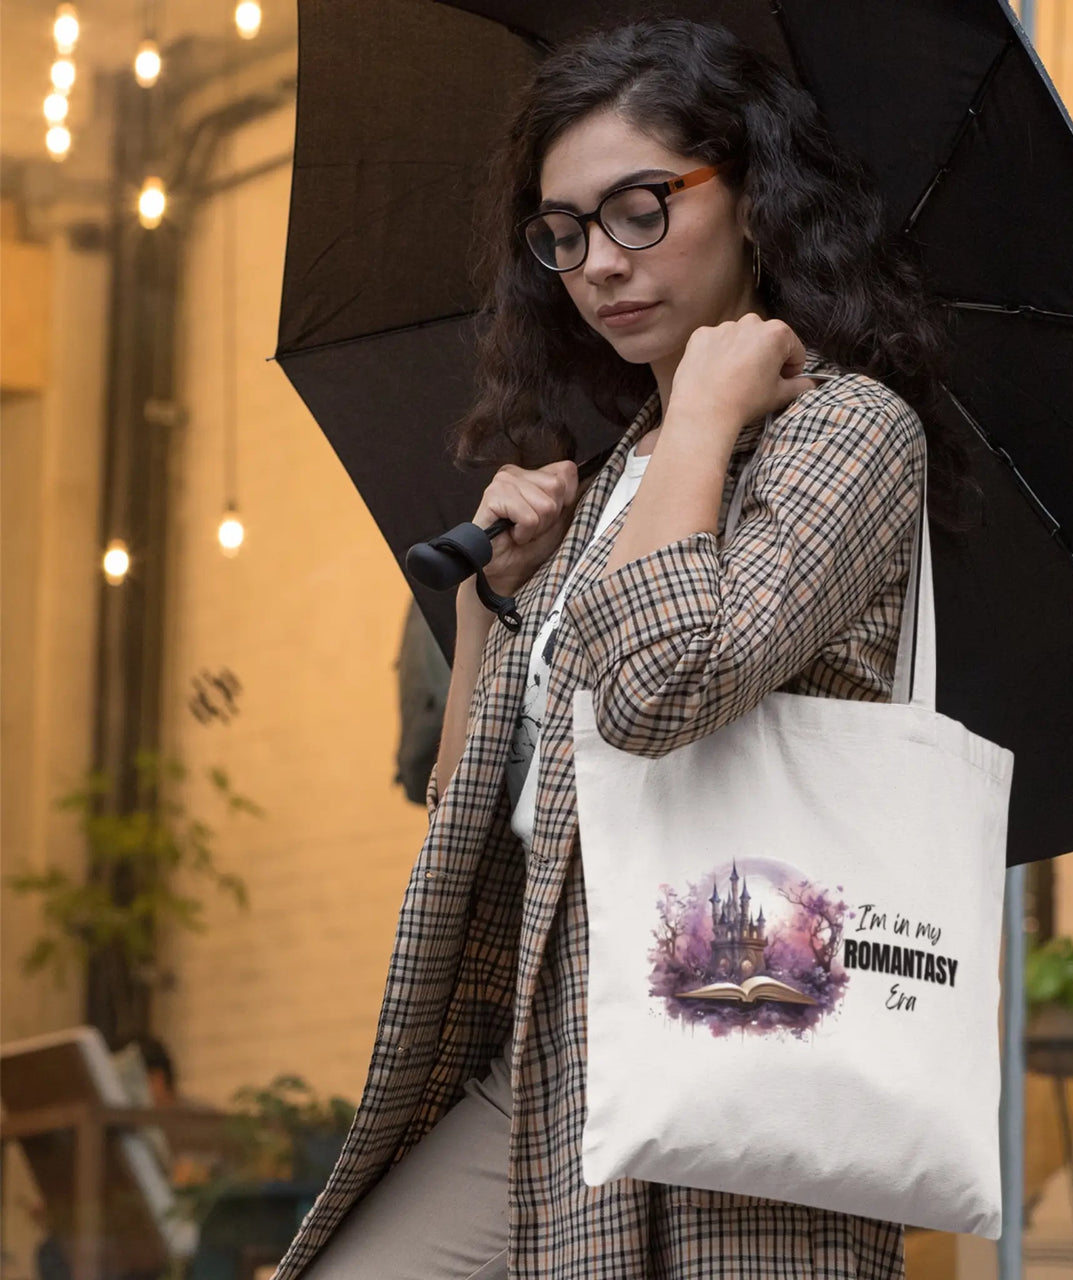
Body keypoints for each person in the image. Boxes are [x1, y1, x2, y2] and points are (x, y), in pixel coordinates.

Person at [280, 17, 972, 1280]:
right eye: (564, 231)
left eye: (640, 207)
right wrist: (490, 600)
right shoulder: (609, 485)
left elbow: (662, 691)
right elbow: (465, 807)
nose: (598, 262)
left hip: (738, 1034)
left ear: (754, 197)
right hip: (548, 1046)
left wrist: (706, 409)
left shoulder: (849, 434)